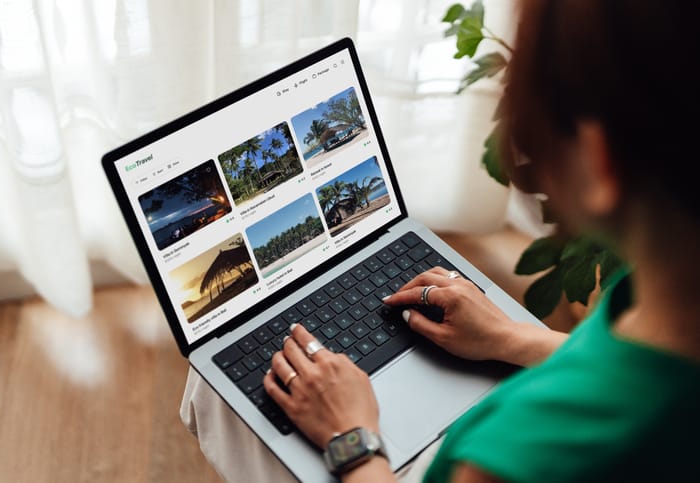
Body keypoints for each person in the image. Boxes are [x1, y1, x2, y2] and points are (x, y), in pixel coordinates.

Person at [260, 0, 700, 481]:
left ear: (601, 162)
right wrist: (510, 337)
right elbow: (630, 367)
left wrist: (352, 439)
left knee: (241, 398)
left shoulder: (524, 453)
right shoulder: (659, 297)